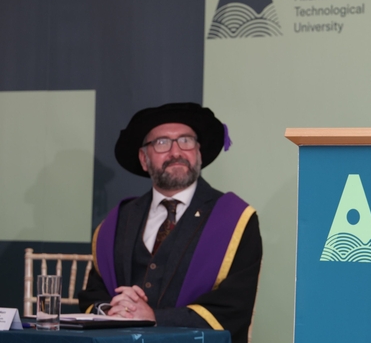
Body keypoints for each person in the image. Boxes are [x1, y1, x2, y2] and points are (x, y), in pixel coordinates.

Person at [79, 102, 262, 343]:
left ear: (199, 153)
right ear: (144, 159)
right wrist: (112, 310)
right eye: (162, 142)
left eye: (186, 141)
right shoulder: (118, 222)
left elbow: (234, 307)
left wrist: (155, 318)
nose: (176, 152)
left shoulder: (234, 219)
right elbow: (94, 294)